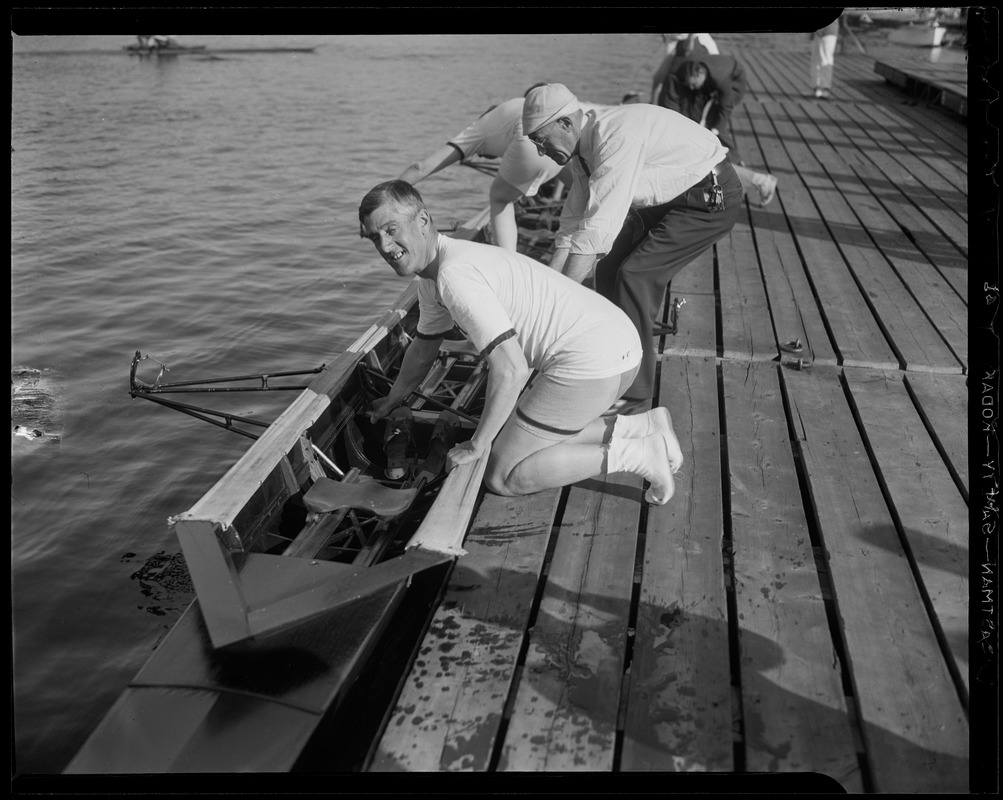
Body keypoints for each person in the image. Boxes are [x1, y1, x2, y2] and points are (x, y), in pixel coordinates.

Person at [359, 180, 683, 505]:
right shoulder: (440, 272)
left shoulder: (453, 277)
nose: (386, 246)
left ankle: (637, 455)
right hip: (619, 345)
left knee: (502, 474)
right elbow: (423, 350)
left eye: (391, 229)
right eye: (376, 237)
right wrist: (392, 400)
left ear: (423, 221)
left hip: (590, 365)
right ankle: (642, 427)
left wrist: (477, 444)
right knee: (515, 433)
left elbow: (512, 370)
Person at [521, 83, 741, 413]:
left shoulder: (613, 136)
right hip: (674, 197)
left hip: (710, 198)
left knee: (635, 276)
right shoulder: (582, 153)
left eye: (542, 140)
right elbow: (571, 229)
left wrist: (561, 308)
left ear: (566, 124)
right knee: (608, 270)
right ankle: (609, 364)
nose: (541, 152)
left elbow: (597, 232)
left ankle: (633, 398)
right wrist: (549, 295)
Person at [398, 87, 604, 252]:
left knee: (499, 197)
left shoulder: (477, 131)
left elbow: (421, 167)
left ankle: (508, 262)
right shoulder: (513, 107)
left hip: (529, 138)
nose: (482, 156)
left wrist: (386, 198)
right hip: (561, 127)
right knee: (585, 191)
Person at [659, 57, 777, 206]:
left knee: (714, 134)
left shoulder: (719, 78)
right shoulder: (692, 74)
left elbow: (726, 106)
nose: (692, 88)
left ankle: (758, 181)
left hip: (734, 86)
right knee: (712, 138)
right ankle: (742, 176)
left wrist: (715, 129)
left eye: (694, 84)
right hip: (713, 88)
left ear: (699, 74)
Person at [650, 33, 718, 105]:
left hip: (696, 40)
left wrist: (690, 40)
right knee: (659, 79)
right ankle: (653, 106)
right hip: (674, 41)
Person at [809, 16, 842, 99]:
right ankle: (817, 87)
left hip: (828, 31)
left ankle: (825, 88)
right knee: (815, 60)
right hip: (817, 33)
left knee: (825, 60)